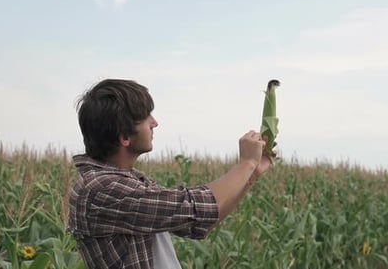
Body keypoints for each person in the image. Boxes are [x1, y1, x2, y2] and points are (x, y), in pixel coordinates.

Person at [68, 79, 273, 269]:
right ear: (124, 137)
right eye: (146, 117)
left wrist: (251, 174)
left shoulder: (132, 181)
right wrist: (247, 163)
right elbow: (199, 208)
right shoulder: (103, 189)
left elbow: (200, 222)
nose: (154, 122)